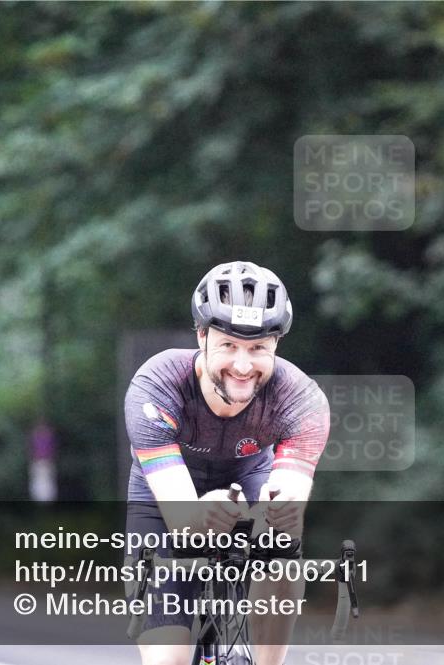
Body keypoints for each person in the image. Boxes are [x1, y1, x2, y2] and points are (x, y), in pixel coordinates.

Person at [124, 261, 330, 665]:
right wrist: (204, 510)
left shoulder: (301, 400)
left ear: (276, 346)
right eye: (228, 345)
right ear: (201, 336)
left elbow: (287, 504)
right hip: (163, 495)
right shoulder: (156, 386)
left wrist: (275, 516)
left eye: (257, 348)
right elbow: (184, 522)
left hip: (249, 473)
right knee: (169, 660)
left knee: (283, 541)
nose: (242, 365)